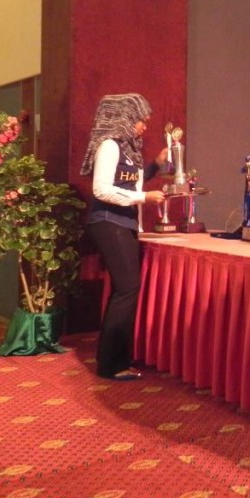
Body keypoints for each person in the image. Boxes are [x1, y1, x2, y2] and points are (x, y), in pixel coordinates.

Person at [80, 93, 169, 381]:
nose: (144, 126)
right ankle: (112, 364)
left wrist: (155, 164)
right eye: (141, 120)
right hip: (108, 221)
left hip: (123, 222)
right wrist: (145, 197)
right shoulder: (109, 145)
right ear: (124, 117)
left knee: (126, 290)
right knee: (127, 289)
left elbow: (129, 182)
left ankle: (114, 360)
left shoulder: (128, 148)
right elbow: (102, 189)